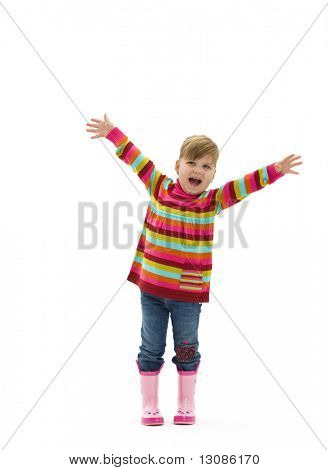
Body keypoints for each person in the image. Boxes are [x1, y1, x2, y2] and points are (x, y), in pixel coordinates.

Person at [86, 113, 303, 426]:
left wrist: (275, 170)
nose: (198, 170)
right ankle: (149, 405)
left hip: (187, 295)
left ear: (213, 174)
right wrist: (112, 133)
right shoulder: (158, 185)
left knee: (187, 347)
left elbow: (245, 185)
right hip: (152, 290)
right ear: (178, 166)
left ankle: (186, 403)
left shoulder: (212, 201)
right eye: (192, 163)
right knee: (151, 347)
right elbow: (136, 158)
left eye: (207, 166)